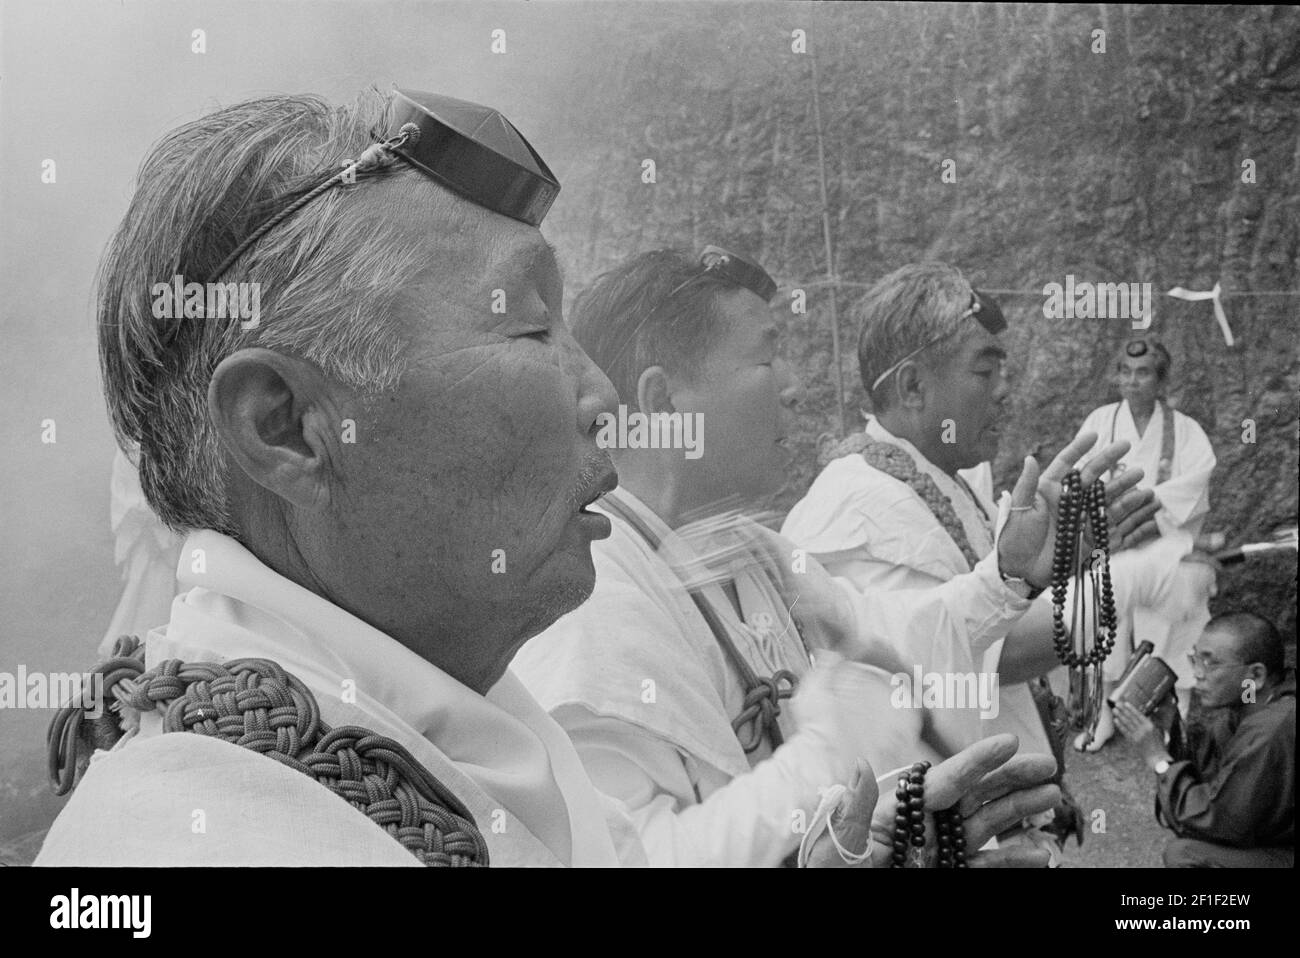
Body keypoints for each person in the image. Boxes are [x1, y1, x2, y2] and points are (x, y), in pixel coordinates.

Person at [36, 90, 1061, 870]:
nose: (602, 393)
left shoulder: (459, 713)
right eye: (529, 326)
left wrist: (854, 848)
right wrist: (843, 741)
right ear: (287, 427)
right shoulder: (210, 844)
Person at [512, 247, 1150, 867]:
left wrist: (1007, 579)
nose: (794, 384)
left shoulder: (743, 548)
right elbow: (632, 857)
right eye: (768, 355)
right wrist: (843, 735)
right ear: (663, 402)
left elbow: (878, 633)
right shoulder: (587, 604)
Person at [781, 263, 1164, 857]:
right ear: (912, 387)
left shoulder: (945, 479)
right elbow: (968, 661)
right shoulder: (858, 506)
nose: (1004, 389)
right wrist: (1122, 582)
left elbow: (991, 631)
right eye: (985, 369)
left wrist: (1064, 564)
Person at [1072, 335, 1218, 748]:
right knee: (1103, 625)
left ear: (1160, 380)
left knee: (1179, 623)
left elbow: (1196, 481)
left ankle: (1182, 718)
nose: (1132, 381)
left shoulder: (1185, 431)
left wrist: (1144, 506)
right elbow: (1082, 474)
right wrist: (1111, 513)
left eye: (1143, 373)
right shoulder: (1101, 422)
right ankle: (1102, 716)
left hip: (1163, 541)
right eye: (1125, 372)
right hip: (1112, 539)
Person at [1114, 612, 1295, 868]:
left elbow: (1214, 819)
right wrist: (1172, 723)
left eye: (1210, 664)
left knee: (1185, 854)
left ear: (1255, 676)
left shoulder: (1271, 729)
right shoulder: (1249, 704)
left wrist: (1158, 759)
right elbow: (1212, 775)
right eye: (1194, 659)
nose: (1197, 674)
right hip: (1271, 835)